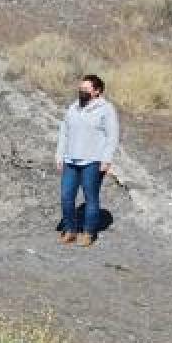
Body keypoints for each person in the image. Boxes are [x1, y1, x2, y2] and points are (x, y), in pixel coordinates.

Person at [55, 74, 119, 247]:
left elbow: (112, 136)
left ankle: (89, 232)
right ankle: (70, 230)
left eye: (86, 89)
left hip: (93, 161)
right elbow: (64, 132)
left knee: (91, 198)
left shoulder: (106, 109)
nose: (81, 91)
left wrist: (106, 160)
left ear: (97, 91)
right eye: (80, 88)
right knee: (66, 196)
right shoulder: (73, 107)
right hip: (71, 160)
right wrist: (59, 155)